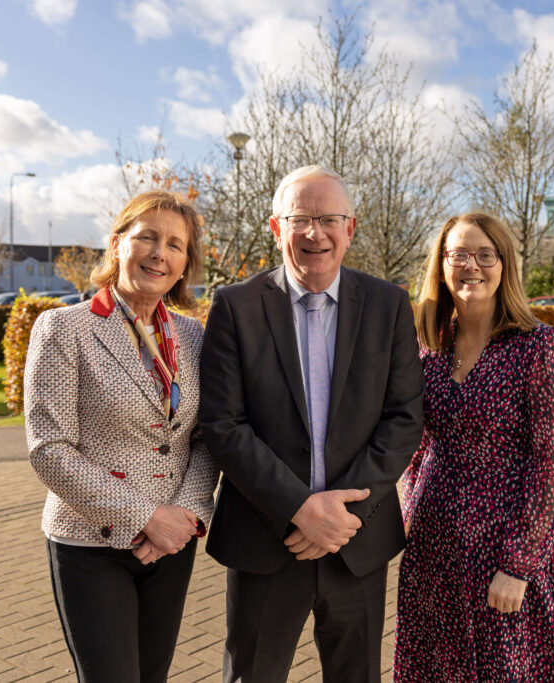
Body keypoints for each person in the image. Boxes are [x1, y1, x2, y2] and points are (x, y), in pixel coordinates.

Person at [199, 165, 424, 683]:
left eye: (329, 219)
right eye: (300, 219)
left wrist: (343, 514)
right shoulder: (236, 306)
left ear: (352, 227)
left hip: (355, 542)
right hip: (265, 540)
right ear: (276, 229)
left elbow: (404, 416)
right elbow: (223, 424)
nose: (314, 233)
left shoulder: (388, 304)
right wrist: (299, 509)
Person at [23, 190, 219, 683]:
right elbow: (49, 447)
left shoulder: (194, 337)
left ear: (184, 265)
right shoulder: (63, 328)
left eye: (176, 245)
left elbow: (206, 437)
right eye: (147, 237)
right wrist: (143, 517)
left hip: (172, 542)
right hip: (90, 544)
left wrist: (187, 514)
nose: (160, 252)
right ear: (117, 245)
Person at [393, 213, 554, 681]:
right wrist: (408, 508)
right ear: (441, 265)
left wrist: (519, 564)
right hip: (432, 550)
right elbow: (418, 443)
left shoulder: (540, 347)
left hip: (502, 551)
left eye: (486, 254)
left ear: (505, 265)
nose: (472, 266)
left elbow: (551, 465)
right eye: (458, 254)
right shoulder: (428, 346)